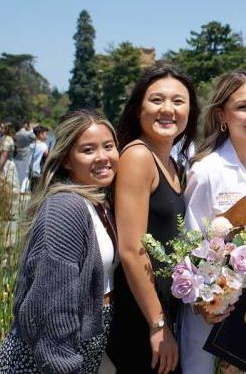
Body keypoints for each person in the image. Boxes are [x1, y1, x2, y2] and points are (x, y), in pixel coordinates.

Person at [0, 109, 119, 373]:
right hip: (45, 363)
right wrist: (62, 365)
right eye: (88, 150)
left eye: (108, 146)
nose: (102, 157)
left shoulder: (99, 201)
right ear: (67, 160)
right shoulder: (65, 208)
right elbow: (52, 307)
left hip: (81, 352)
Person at [181, 70, 246, 374]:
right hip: (217, 316)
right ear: (221, 115)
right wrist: (207, 301)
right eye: (242, 107)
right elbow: (191, 245)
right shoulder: (207, 171)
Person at [106, 65, 199, 374]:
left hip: (164, 308)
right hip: (141, 313)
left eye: (178, 101)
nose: (167, 109)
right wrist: (157, 324)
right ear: (138, 108)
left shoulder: (174, 165)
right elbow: (131, 250)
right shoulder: (138, 156)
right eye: (157, 100)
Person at [0, 122, 20, 192]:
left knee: (7, 186)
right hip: (5, 162)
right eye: (0, 127)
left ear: (8, 129)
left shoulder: (7, 139)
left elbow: (4, 155)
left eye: (2, 128)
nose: (0, 129)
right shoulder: (4, 138)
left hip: (5, 164)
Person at [15, 121, 36, 189]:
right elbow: (35, 137)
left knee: (17, 171)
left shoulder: (16, 133)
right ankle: (22, 188)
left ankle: (18, 186)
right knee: (24, 172)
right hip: (26, 154)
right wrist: (31, 129)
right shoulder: (28, 133)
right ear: (25, 125)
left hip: (17, 154)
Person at [29, 125, 50, 192]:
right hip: (38, 172)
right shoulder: (43, 145)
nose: (47, 136)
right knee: (38, 192)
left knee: (32, 190)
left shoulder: (31, 144)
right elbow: (48, 156)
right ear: (40, 134)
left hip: (30, 171)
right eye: (46, 134)